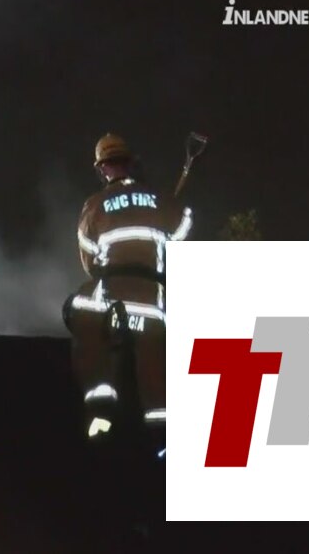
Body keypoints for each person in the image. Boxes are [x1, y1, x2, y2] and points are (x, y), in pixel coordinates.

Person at [63, 133, 192, 446]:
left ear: (102, 168)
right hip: (154, 308)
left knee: (76, 308)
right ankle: (162, 437)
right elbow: (183, 230)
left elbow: (89, 259)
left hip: (112, 305)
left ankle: (101, 406)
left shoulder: (94, 205)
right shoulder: (160, 200)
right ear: (132, 162)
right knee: (154, 367)